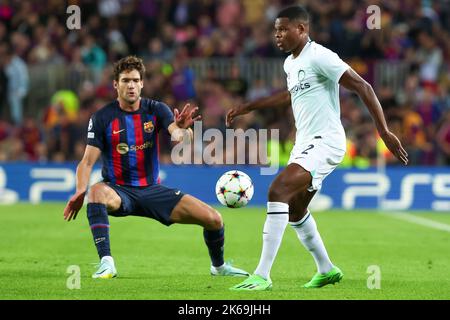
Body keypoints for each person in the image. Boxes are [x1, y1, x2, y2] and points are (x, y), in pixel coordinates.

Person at [227, 6, 408, 291]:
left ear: (301, 29)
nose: (278, 35)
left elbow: (363, 86)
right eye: (275, 30)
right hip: (305, 144)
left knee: (278, 191)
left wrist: (384, 131)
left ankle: (262, 274)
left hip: (326, 141)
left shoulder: (320, 56)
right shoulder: (291, 63)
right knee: (296, 209)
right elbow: (291, 95)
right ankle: (326, 269)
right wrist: (249, 106)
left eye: (283, 29)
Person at [63, 55, 249, 279]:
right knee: (95, 191)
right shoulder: (102, 117)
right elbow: (87, 162)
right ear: (116, 84)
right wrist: (79, 191)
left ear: (142, 83)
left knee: (214, 219)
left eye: (135, 80)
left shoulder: (157, 110)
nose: (130, 85)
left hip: (152, 191)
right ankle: (106, 262)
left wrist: (184, 129)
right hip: (118, 190)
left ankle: (218, 268)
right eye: (125, 81)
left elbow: (180, 137)